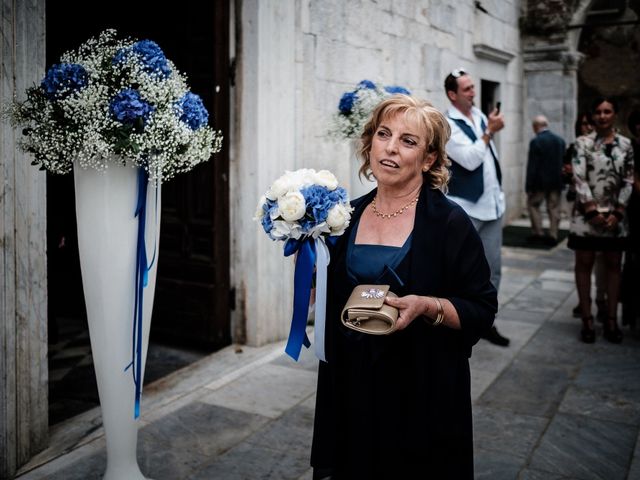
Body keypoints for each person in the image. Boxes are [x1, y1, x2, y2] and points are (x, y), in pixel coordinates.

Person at [310, 94, 497, 479]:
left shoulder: (449, 223)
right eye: (384, 134)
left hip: (422, 393)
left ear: (428, 160)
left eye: (408, 141)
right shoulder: (345, 216)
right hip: (352, 390)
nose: (391, 148)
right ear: (370, 142)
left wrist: (430, 306)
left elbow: (482, 308)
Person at [441, 68, 510, 347]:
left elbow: (488, 157)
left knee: (493, 269)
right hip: (467, 208)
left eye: (472, 87)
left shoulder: (480, 116)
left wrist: (488, 129)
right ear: (452, 94)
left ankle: (486, 321)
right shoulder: (447, 124)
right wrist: (489, 133)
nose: (473, 92)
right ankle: (455, 322)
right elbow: (469, 160)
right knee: (460, 271)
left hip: (493, 205)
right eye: (467, 89)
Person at [568, 96, 635, 343]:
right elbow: (578, 178)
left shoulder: (626, 145)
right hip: (586, 217)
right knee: (584, 264)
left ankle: (610, 320)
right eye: (598, 112)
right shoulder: (581, 143)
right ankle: (587, 318)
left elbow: (628, 180)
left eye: (607, 111)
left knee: (614, 265)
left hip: (616, 217)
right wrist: (593, 212)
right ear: (593, 115)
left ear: (614, 114)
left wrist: (617, 212)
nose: (602, 116)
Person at [565, 113, 607, 321]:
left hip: (604, 207)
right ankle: (585, 302)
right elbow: (567, 178)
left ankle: (600, 298)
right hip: (581, 209)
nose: (586, 127)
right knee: (583, 259)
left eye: (588, 123)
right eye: (582, 123)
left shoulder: (606, 147)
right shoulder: (574, 147)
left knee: (604, 259)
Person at [525, 115, 566, 245]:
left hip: (540, 183)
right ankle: (553, 234)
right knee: (554, 208)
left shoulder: (536, 141)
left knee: (532, 204)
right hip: (556, 181)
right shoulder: (560, 141)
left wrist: (529, 185)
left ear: (536, 126)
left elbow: (532, 165)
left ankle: (538, 232)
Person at [621, 110, 640, 329]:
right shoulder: (631, 148)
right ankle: (630, 313)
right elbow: (629, 179)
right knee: (633, 263)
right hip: (634, 211)